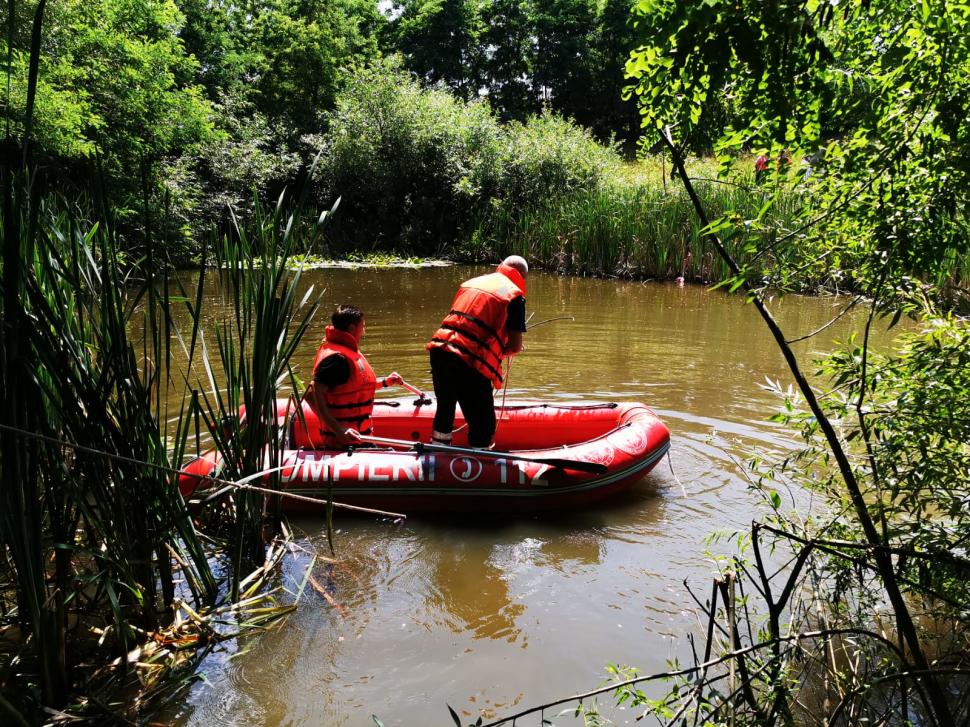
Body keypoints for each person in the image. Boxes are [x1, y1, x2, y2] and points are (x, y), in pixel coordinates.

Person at [426, 255, 528, 449]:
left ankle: (439, 456)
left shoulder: (472, 283)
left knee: (445, 410)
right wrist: (502, 350)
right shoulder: (514, 296)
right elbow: (514, 346)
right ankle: (482, 462)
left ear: (501, 267)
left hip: (440, 349)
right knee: (484, 425)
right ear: (522, 276)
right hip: (469, 359)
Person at [307, 305, 402, 446]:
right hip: (344, 442)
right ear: (352, 328)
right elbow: (311, 393)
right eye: (362, 326)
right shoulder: (337, 359)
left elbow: (353, 388)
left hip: (359, 437)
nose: (363, 331)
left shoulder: (345, 351)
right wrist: (339, 430)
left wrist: (385, 383)